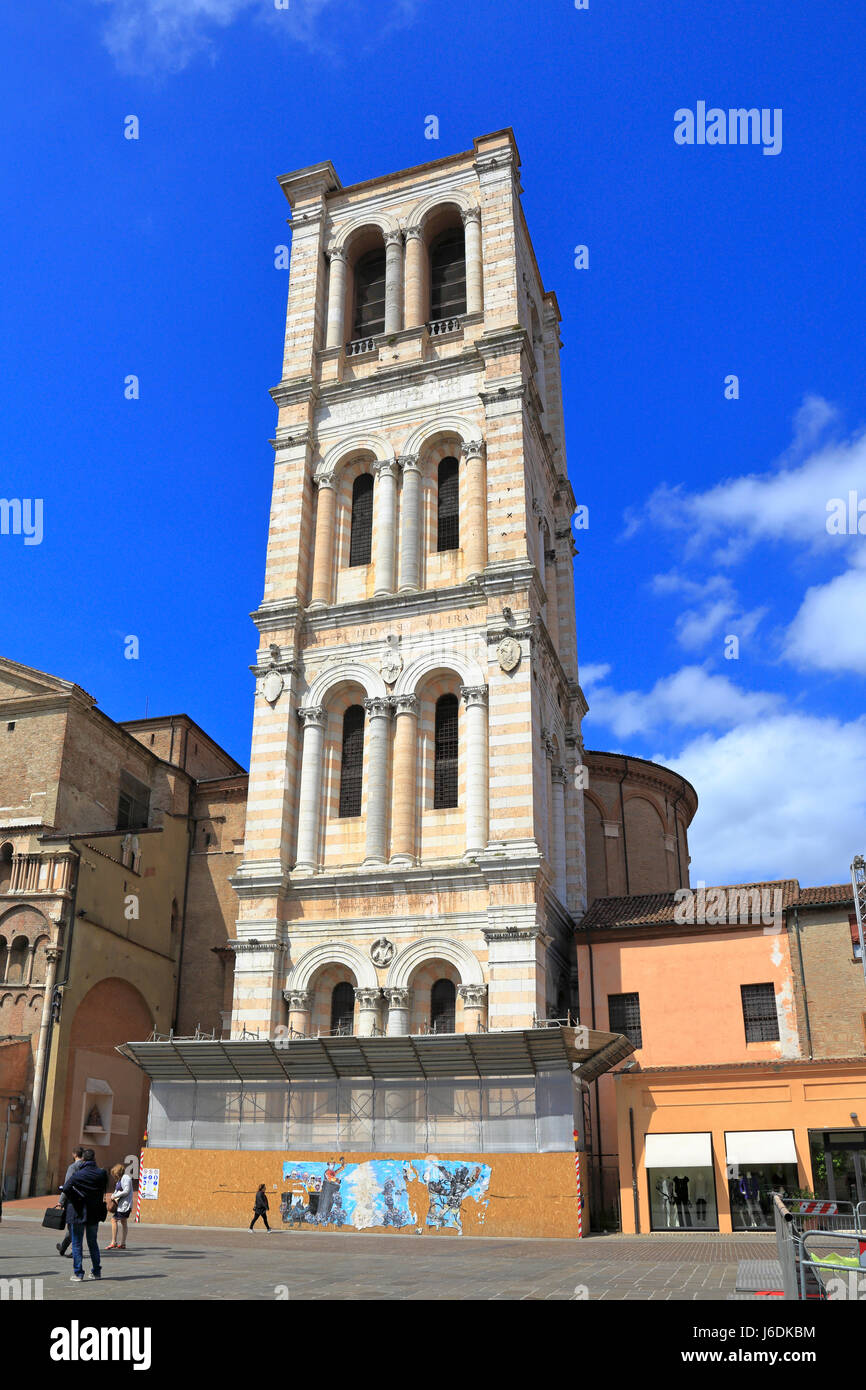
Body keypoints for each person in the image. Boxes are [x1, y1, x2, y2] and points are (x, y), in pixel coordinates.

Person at [61, 1148, 108, 1282]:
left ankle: (78, 1273)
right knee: (93, 1242)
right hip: (94, 1212)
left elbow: (65, 1188)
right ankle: (96, 1271)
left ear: (83, 1159)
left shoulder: (78, 1175)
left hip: (78, 1211)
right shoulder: (101, 1174)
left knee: (77, 1243)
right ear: (94, 1159)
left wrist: (75, 1196)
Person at [56, 1146, 85, 1257]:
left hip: (73, 1201)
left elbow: (66, 1186)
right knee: (78, 1226)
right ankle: (63, 1247)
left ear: (74, 1154)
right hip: (84, 1201)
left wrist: (61, 1201)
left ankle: (71, 1249)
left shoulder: (73, 1167)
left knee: (72, 1226)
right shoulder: (86, 1167)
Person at [106, 1163, 133, 1249]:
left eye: (115, 1174)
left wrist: (116, 1196)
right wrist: (113, 1195)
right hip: (121, 1205)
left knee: (114, 1220)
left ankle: (114, 1242)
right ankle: (123, 1243)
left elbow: (126, 1191)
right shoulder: (120, 1180)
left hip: (125, 1205)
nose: (114, 1176)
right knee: (123, 1222)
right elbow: (116, 1190)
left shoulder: (126, 1178)